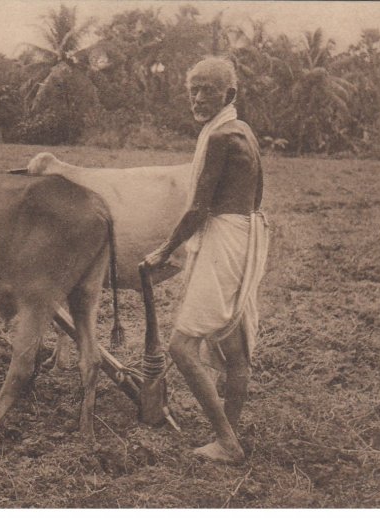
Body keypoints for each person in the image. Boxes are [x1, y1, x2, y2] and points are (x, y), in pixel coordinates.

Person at [143, 57, 269, 464]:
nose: (197, 97)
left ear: (228, 95)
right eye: (192, 89)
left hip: (224, 241)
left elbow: (198, 209)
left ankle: (226, 440)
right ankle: (228, 438)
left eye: (207, 90)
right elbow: (257, 196)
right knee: (234, 349)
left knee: (181, 348)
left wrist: (164, 250)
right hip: (244, 237)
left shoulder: (218, 138)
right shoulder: (243, 131)